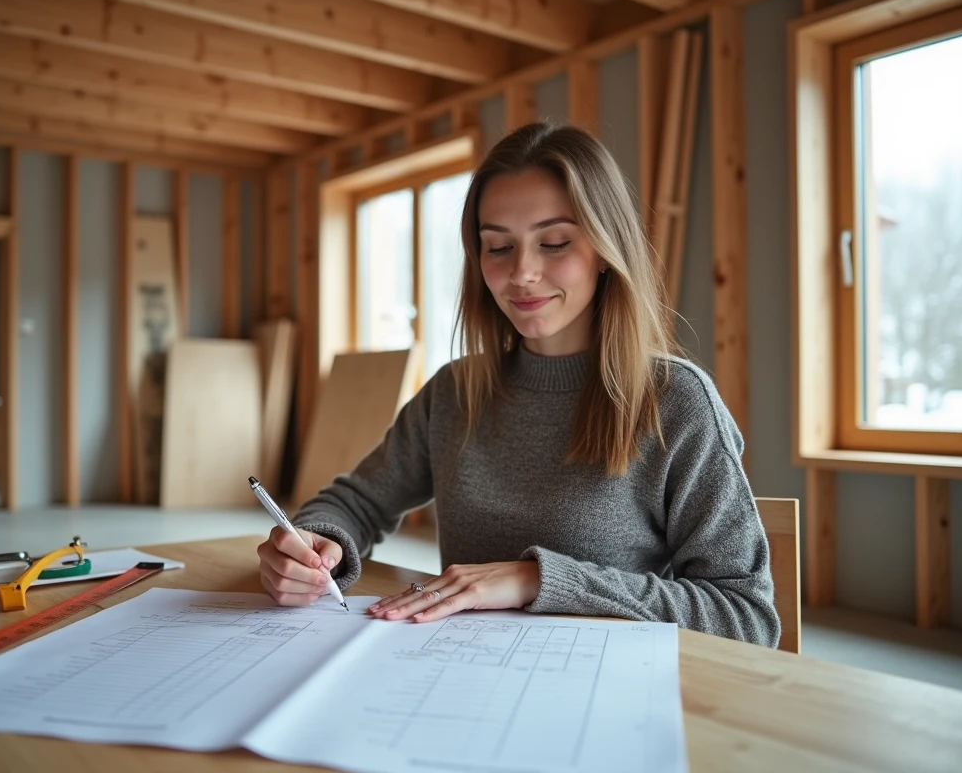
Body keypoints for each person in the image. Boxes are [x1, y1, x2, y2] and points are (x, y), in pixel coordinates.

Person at [256, 121, 781, 647]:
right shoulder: (454, 392)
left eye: (554, 242)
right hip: (460, 672)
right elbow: (354, 503)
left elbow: (746, 616)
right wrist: (314, 543)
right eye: (498, 247)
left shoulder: (677, 401)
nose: (522, 272)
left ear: (604, 249)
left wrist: (537, 579)